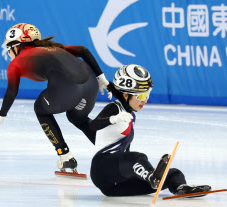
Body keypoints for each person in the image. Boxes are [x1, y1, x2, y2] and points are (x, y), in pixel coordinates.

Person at [0, 23, 111, 172]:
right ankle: (111, 152)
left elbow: (11, 91)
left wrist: (1, 115)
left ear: (16, 46)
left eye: (8, 48)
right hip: (90, 85)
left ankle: (65, 155)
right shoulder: (53, 47)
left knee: (40, 108)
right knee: (77, 118)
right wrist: (101, 78)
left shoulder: (16, 62)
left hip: (69, 88)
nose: (8, 53)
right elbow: (83, 50)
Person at [89, 64, 211, 197]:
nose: (145, 100)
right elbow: (93, 126)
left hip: (115, 186)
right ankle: (152, 177)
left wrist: (132, 173)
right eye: (141, 96)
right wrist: (113, 119)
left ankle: (180, 188)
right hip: (102, 169)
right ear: (125, 95)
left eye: (147, 95)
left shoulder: (131, 116)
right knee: (138, 158)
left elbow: (125, 152)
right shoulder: (114, 108)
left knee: (173, 173)